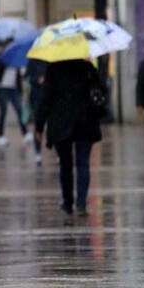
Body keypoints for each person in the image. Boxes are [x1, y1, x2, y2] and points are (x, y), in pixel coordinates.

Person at [34, 58, 105, 217]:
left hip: (61, 123)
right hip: (85, 121)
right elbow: (101, 90)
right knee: (83, 162)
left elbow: (45, 99)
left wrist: (39, 126)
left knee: (65, 164)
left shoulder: (54, 69)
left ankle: (68, 202)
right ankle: (81, 203)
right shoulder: (87, 68)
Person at [0, 40, 28, 146]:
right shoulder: (0, 57)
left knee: (19, 110)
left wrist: (20, 91)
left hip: (12, 88)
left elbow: (18, 77)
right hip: (2, 87)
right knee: (3, 111)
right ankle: (0, 136)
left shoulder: (16, 59)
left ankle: (25, 133)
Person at [25, 58, 47, 166]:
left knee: (54, 124)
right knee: (38, 125)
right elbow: (28, 77)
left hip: (49, 96)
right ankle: (38, 152)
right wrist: (37, 80)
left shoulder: (50, 60)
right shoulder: (32, 61)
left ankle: (58, 151)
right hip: (36, 97)